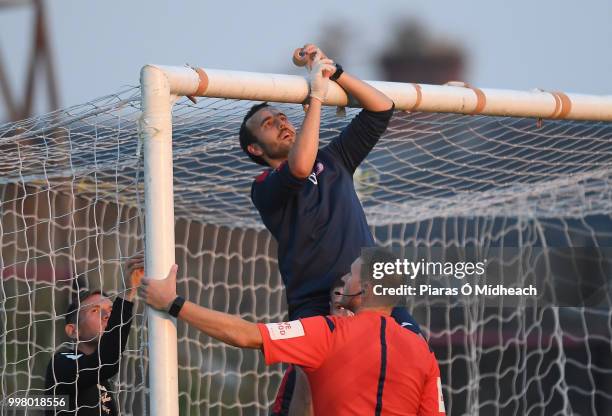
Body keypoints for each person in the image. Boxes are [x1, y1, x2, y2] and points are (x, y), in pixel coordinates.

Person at [239, 43, 421, 413]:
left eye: (282, 116)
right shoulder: (264, 186)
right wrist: (317, 98)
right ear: (256, 149)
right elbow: (300, 167)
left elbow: (382, 107)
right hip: (315, 302)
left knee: (416, 353)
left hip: (370, 294)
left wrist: (332, 72)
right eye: (268, 124)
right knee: (309, 390)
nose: (282, 123)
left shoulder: (335, 159)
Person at [139, 247, 446, 416]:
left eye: (350, 274)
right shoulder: (423, 351)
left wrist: (172, 302)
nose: (343, 278)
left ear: (364, 289)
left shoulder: (329, 332)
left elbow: (245, 334)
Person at [45, 254, 144, 416]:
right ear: (73, 330)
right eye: (95, 310)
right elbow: (106, 361)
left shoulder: (102, 379)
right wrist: (126, 294)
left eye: (111, 310)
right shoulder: (61, 363)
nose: (107, 315)